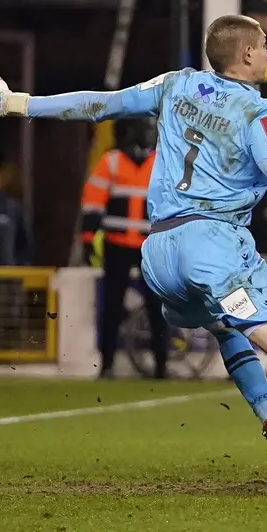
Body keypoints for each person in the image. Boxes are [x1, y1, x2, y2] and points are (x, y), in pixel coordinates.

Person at [0, 15, 267, 490]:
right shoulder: (261, 113)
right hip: (213, 248)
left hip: (157, 253)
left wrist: (13, 102)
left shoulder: (175, 85)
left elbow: (100, 104)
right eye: (262, 47)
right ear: (245, 55)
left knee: (226, 328)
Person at [81, 119, 169, 379]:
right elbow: (93, 202)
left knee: (158, 308)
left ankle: (161, 366)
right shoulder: (112, 161)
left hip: (149, 247)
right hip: (118, 245)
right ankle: (106, 364)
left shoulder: (162, 163)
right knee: (112, 307)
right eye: (146, 129)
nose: (150, 134)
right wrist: (87, 238)